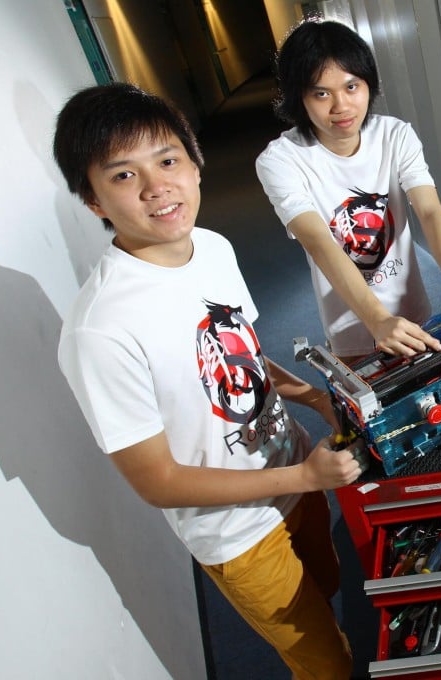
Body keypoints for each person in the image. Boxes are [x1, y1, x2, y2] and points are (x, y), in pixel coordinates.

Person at [53, 82, 362, 680]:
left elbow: (245, 356)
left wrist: (316, 401)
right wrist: (305, 475)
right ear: (92, 200)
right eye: (124, 175)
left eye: (168, 160)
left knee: (326, 589)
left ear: (195, 165)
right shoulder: (100, 329)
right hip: (239, 532)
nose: (156, 187)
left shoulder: (212, 247)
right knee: (325, 664)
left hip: (297, 477)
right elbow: (158, 481)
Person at [256, 19, 441, 363]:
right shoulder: (280, 160)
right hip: (351, 324)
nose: (341, 106)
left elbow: (429, 210)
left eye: (352, 86)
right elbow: (318, 240)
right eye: (321, 93)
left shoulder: (395, 135)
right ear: (299, 97)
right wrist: (376, 318)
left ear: (368, 84)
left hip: (413, 309)